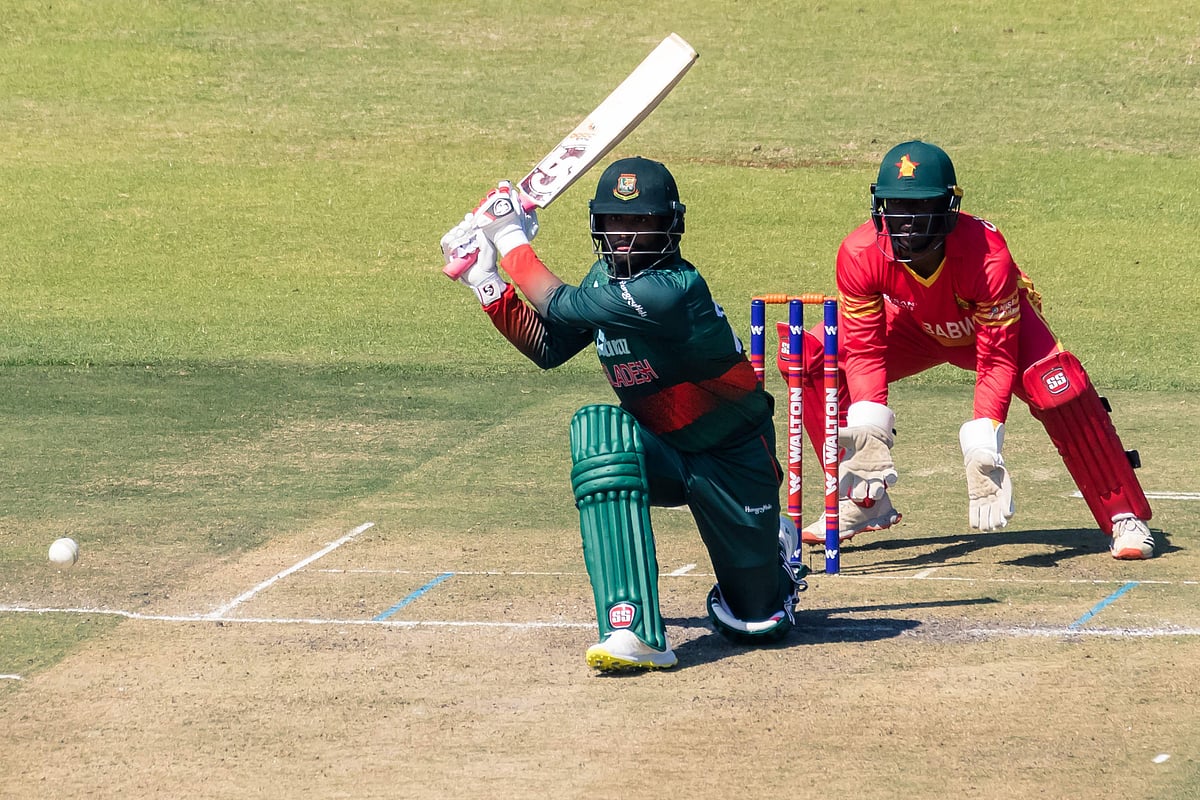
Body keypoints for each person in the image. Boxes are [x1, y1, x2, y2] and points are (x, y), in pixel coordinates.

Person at [441, 157, 804, 672]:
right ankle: (633, 628)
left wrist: (508, 236)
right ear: (597, 224)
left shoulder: (672, 290)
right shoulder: (602, 281)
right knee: (600, 430)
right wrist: (486, 281)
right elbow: (549, 346)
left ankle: (774, 555)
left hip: (732, 458)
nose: (625, 235)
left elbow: (558, 304)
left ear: (670, 226)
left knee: (756, 623)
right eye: (615, 221)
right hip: (662, 449)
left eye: (641, 222)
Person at [778, 140, 1155, 560]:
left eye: (921, 207)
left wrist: (982, 446)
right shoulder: (860, 252)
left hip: (988, 332)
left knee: (1059, 386)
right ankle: (864, 500)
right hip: (914, 325)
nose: (907, 221)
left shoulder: (987, 255)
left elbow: (996, 359)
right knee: (810, 355)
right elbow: (864, 350)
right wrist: (868, 431)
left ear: (947, 208)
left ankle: (1123, 514)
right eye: (897, 206)